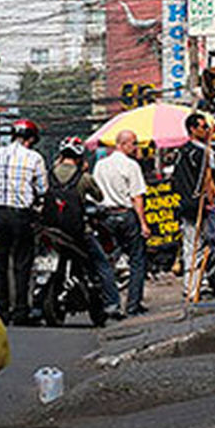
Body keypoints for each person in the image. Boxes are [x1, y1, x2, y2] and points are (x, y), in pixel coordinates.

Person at [0, 118, 48, 325]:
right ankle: (21, 310)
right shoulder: (34, 158)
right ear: (30, 139)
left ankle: (3, 311)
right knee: (22, 263)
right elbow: (42, 190)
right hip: (21, 216)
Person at [49, 136, 119, 312]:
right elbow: (99, 197)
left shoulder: (49, 174)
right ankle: (112, 302)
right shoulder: (84, 177)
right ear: (80, 157)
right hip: (78, 231)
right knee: (102, 263)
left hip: (51, 230)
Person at [93, 129, 150, 317]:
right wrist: (143, 223)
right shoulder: (131, 166)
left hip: (105, 217)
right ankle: (133, 305)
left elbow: (95, 193)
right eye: (133, 144)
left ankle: (111, 303)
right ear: (123, 144)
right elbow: (137, 197)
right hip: (126, 216)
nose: (135, 148)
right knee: (137, 260)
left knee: (107, 261)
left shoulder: (100, 165)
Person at [173, 113, 215, 300]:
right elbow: (208, 180)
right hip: (198, 205)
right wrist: (214, 201)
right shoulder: (201, 152)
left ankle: (194, 285)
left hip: (186, 204)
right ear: (192, 129)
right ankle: (195, 287)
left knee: (191, 246)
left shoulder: (182, 151)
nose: (207, 130)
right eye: (203, 127)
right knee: (201, 246)